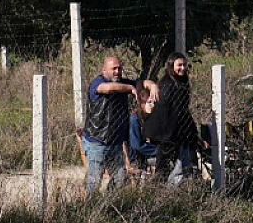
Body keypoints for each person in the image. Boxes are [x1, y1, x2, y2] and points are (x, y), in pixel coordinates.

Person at [83, 57, 158, 195]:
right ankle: (90, 205)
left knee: (120, 180)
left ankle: (109, 203)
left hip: (115, 144)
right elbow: (108, 88)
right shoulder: (97, 83)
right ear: (104, 70)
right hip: (97, 142)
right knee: (94, 182)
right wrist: (130, 88)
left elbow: (143, 83)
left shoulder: (123, 82)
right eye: (114, 69)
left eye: (119, 68)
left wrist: (152, 86)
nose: (117, 71)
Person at [143, 52, 205, 184]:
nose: (183, 68)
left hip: (177, 133)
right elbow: (174, 112)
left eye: (184, 65)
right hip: (166, 134)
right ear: (171, 66)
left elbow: (183, 111)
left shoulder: (180, 83)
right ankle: (157, 189)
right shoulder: (167, 84)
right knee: (164, 168)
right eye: (179, 65)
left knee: (179, 167)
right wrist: (191, 134)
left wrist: (192, 134)